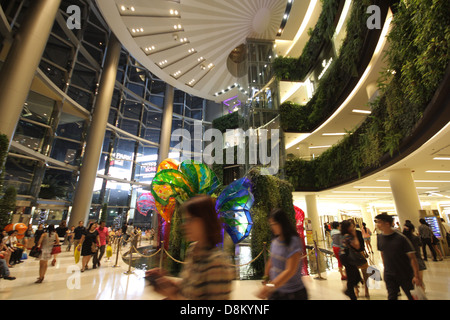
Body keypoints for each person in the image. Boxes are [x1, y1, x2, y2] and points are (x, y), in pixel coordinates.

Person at [145, 195, 234, 300]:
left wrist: (173, 296)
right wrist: (165, 282)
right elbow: (189, 288)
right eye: (185, 220)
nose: (184, 225)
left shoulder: (217, 265)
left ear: (206, 221)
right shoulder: (193, 250)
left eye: (190, 220)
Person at [257, 208, 307, 300]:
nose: (272, 227)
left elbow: (290, 270)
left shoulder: (294, 242)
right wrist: (266, 277)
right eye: (271, 224)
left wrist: (270, 287)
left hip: (293, 293)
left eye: (274, 224)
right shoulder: (275, 241)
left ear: (282, 223)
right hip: (277, 291)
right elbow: (271, 260)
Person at [375, 214, 422, 300]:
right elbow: (383, 253)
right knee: (392, 296)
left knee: (411, 296)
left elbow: (412, 257)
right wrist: (386, 269)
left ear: (387, 224)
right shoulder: (380, 237)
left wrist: (416, 276)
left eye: (379, 222)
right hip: (389, 274)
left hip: (404, 273)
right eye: (376, 222)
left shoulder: (401, 238)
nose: (377, 224)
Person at [339, 220, 363, 300]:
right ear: (348, 228)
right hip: (348, 257)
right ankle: (350, 293)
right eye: (351, 226)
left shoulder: (343, 235)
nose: (353, 227)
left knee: (356, 276)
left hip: (344, 256)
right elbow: (357, 246)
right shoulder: (348, 236)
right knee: (352, 277)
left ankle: (350, 292)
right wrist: (355, 235)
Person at [402, 221, 426, 289]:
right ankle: (421, 294)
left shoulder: (402, 239)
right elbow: (420, 245)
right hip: (417, 259)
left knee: (411, 281)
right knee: (419, 280)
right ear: (412, 229)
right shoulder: (415, 238)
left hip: (406, 261)